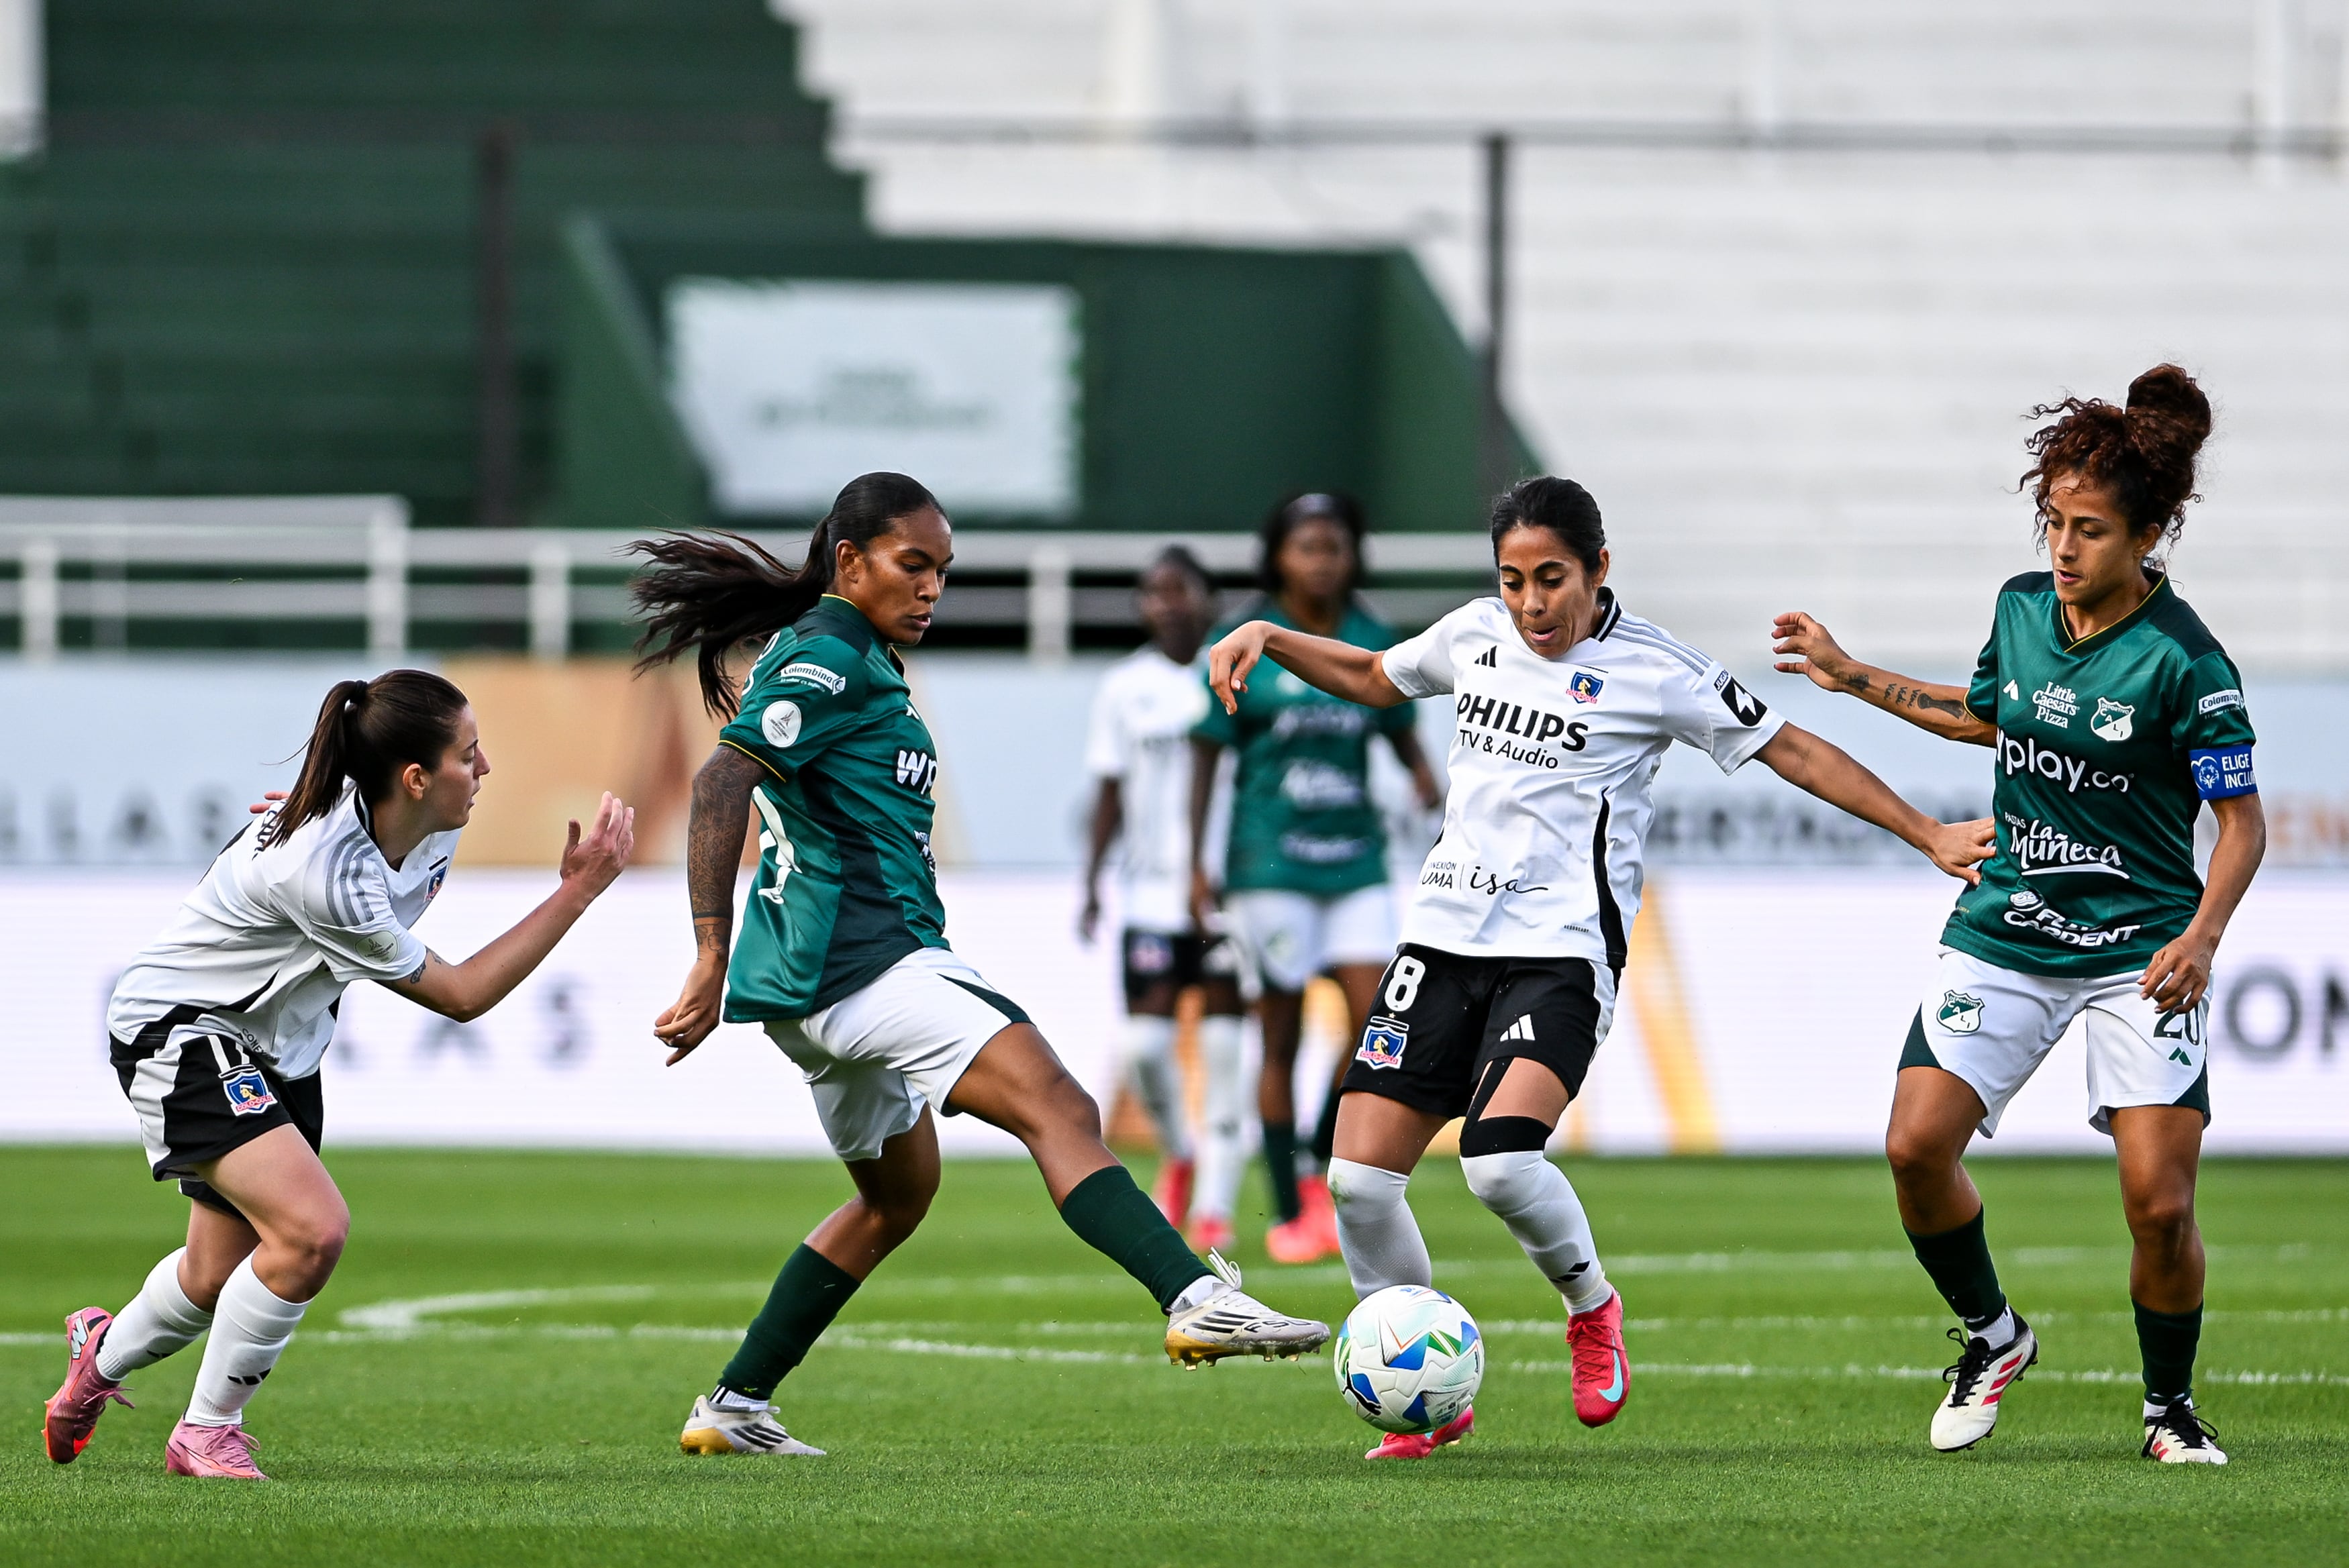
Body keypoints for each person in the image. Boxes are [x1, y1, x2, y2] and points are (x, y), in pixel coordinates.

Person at [1207, 475, 1992, 1459]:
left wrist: (1926, 831)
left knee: (1499, 1163)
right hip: (1442, 942)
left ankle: (1590, 1308)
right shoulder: (1473, 633)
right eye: (1513, 580)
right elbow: (1372, 675)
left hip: (1559, 953)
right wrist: (1269, 636)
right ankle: (1428, 1397)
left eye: (1552, 579)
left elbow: (1790, 750)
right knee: (1359, 1183)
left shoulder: (1656, 668)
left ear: (1598, 569)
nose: (1531, 604)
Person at [632, 472, 1330, 1460]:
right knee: (1060, 1106)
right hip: (865, 962)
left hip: (807, 987)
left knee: (895, 1198)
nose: (931, 588)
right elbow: (720, 780)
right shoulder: (831, 656)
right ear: (849, 562)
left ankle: (735, 1403)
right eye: (912, 565)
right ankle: (1195, 1297)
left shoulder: (841, 652)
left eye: (943, 570)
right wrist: (708, 951)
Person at [1770, 364, 2262, 1465]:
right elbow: (1985, 713)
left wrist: (2202, 938)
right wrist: (1848, 674)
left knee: (2159, 1206)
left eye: (2090, 529)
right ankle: (1994, 1336)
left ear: (2147, 536)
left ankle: (2169, 1409)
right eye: (2054, 522)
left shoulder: (2188, 663)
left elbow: (2244, 826)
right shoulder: (2022, 607)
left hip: (2142, 949)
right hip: (2009, 926)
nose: (2064, 547)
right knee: (1914, 1148)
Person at [43, 672, 636, 1479]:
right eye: (468, 754)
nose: (486, 768)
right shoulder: (326, 869)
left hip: (282, 1045)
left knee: (213, 1277)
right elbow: (461, 995)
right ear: (414, 778)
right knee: (312, 1232)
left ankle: (99, 1356)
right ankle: (206, 1432)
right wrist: (579, 891)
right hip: (182, 1028)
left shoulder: (427, 823)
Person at [1189, 492, 1441, 1264]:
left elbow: (1395, 723)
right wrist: (1197, 862)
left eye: (1334, 547)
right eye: (1306, 547)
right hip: (1270, 864)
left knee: (1378, 1025)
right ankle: (1287, 1205)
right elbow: (1206, 753)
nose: (1322, 561)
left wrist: (1423, 775)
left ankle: (1315, 1151)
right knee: (1282, 1035)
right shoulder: (1245, 638)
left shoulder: (1371, 636)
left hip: (1355, 860)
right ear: (1277, 557)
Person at [1080, 546, 1252, 1253]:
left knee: (1225, 1052)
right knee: (1146, 1047)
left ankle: (1216, 1206)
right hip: (1150, 895)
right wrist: (1091, 880)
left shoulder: (1239, 673)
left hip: (1226, 896)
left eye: (1180, 589)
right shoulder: (1124, 686)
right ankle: (1179, 1150)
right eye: (1153, 591)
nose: (1167, 602)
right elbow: (1110, 786)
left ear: (1210, 600)